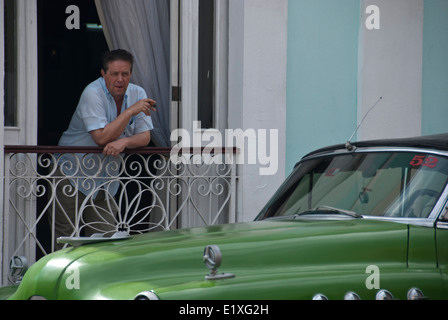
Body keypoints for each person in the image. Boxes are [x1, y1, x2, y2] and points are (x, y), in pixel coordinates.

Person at [52, 49, 156, 248]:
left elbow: (145, 136)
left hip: (105, 181)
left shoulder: (138, 93)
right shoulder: (92, 93)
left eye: (125, 74)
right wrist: (131, 111)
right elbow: (101, 138)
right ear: (103, 74)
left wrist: (124, 142)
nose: (120, 79)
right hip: (70, 173)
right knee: (65, 242)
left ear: (130, 74)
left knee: (106, 242)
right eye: (114, 74)